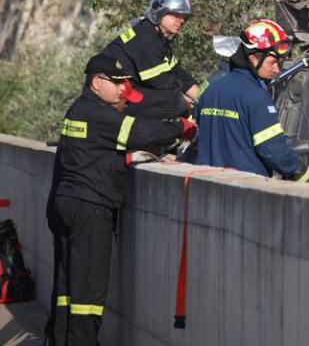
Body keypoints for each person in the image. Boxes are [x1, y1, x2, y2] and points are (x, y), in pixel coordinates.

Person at [45, 53, 196, 346]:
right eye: (116, 83)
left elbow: (90, 152)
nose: (121, 90)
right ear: (97, 82)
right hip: (90, 208)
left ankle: (58, 338)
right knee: (88, 293)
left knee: (67, 288)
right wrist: (181, 128)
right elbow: (139, 131)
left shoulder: (77, 110)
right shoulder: (99, 114)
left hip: (67, 203)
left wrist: (120, 159)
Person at [194, 19, 309, 181]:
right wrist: (302, 172)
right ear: (254, 58)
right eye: (273, 62)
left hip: (206, 188)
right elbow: (273, 150)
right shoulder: (257, 97)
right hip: (245, 191)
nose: (277, 69)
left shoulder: (211, 90)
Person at [101, 0, 200, 119]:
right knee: (175, 102)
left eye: (184, 17)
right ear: (160, 12)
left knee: (179, 102)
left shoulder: (159, 38)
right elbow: (160, 81)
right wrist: (189, 105)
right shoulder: (145, 36)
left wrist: (204, 98)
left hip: (128, 91)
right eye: (176, 15)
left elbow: (178, 74)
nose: (181, 20)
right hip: (114, 97)